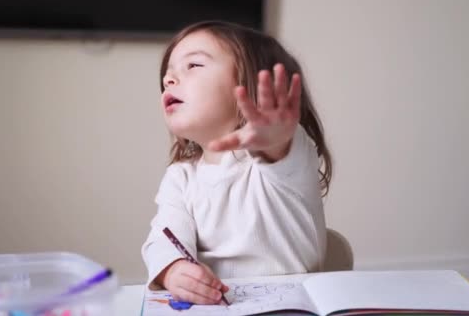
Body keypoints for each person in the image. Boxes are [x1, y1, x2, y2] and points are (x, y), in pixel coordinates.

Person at [141, 20, 333, 305]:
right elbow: (163, 239)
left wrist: (275, 136)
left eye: (193, 65)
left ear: (252, 85)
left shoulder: (287, 153)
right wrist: (174, 270)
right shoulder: (179, 178)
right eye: (166, 76)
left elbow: (278, 147)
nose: (168, 80)